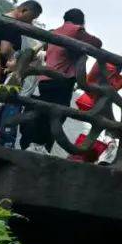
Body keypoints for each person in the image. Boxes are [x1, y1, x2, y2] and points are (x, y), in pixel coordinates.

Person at [23, 8, 101, 153]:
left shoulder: (55, 32)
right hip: (61, 81)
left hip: (45, 79)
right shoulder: (76, 30)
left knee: (45, 112)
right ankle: (39, 145)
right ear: (81, 21)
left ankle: (36, 145)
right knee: (57, 114)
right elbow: (97, 43)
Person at [0, 0, 43, 148]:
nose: (31, 23)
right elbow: (5, 49)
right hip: (0, 76)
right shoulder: (12, 25)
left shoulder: (1, 18)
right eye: (32, 17)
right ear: (24, 11)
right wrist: (21, 59)